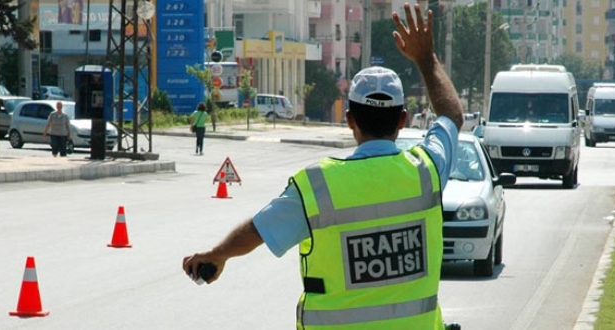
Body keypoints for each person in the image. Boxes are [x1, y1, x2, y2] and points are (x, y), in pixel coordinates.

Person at [183, 3, 464, 329]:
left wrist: (218, 255)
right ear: (403, 119)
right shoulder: (427, 170)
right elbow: (452, 117)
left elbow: (258, 230)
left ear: (349, 120)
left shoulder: (317, 187)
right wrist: (427, 60)